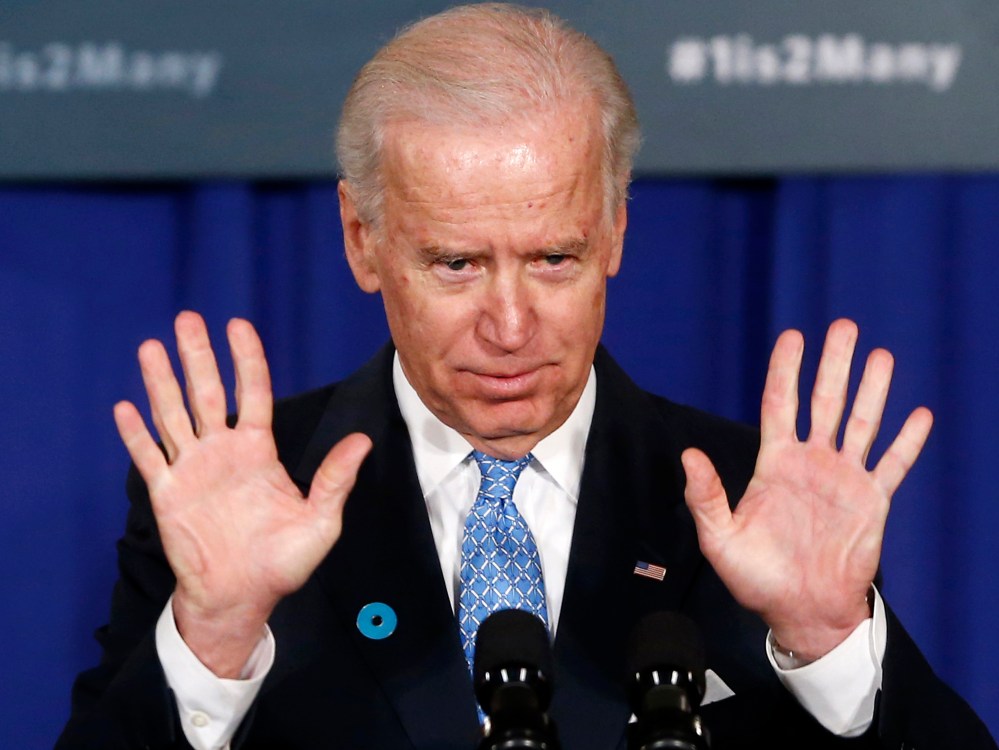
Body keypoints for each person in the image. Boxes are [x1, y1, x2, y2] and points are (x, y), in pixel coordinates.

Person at [58, 4, 996, 749]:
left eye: (553, 257)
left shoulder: (751, 494)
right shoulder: (247, 495)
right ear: (362, 240)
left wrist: (831, 649)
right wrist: (212, 645)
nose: (509, 327)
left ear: (616, 230)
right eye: (456, 264)